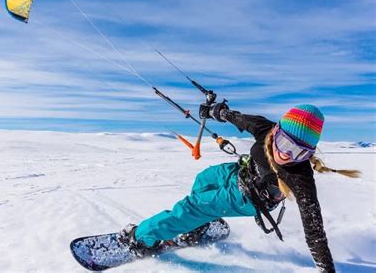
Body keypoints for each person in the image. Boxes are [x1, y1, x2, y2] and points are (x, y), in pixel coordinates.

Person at [119, 104, 360, 273]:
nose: (286, 154)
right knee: (203, 180)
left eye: (299, 152)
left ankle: (140, 239)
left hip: (247, 199)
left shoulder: (300, 176)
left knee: (191, 207)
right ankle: (197, 227)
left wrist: (326, 269)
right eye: (285, 143)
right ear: (277, 131)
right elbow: (237, 118)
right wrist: (216, 112)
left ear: (309, 154)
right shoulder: (264, 128)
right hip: (238, 172)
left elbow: (314, 230)